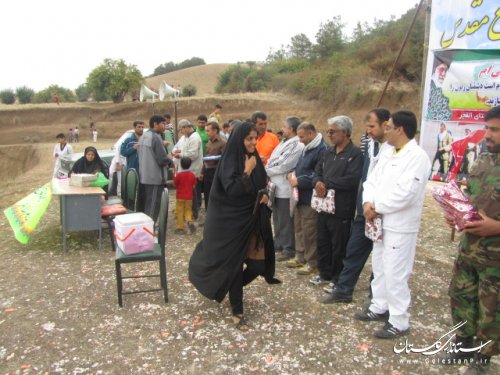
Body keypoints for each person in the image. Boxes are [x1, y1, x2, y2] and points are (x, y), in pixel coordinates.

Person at [189, 122, 280, 331]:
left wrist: (265, 195)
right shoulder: (231, 161)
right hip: (229, 223)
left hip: (252, 220)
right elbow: (231, 189)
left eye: (255, 138)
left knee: (258, 265)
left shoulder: (255, 158)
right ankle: (237, 309)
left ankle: (230, 285)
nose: (253, 142)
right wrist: (246, 172)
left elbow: (262, 185)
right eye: (249, 139)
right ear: (240, 139)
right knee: (235, 266)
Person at [356, 110, 431, 339]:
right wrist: (368, 201)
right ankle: (379, 306)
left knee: (396, 271)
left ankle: (399, 320)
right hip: (378, 221)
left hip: (399, 224)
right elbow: (372, 180)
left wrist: (376, 206)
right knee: (379, 265)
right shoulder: (389, 152)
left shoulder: (417, 157)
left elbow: (406, 194)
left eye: (388, 127)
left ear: (400, 129)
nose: (384, 131)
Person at [439, 105, 500, 374]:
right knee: (461, 296)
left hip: (496, 256)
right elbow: (472, 199)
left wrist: (497, 227)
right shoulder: (484, 159)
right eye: (488, 128)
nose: (488, 134)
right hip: (469, 249)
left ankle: (482, 359)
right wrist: (456, 213)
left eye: (495, 130)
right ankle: (463, 343)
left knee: (491, 308)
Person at [321, 108, 390, 302]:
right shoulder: (369, 146)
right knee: (353, 250)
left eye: (372, 126)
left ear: (386, 125)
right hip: (364, 209)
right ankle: (344, 290)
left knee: (382, 258)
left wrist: (378, 205)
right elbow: (368, 179)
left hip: (383, 211)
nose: (368, 131)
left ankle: (377, 297)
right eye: (367, 126)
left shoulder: (394, 150)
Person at [310, 116, 363, 287]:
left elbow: (352, 180)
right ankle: (324, 273)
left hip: (342, 208)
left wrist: (327, 184)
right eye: (328, 131)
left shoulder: (355, 154)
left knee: (339, 244)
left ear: (345, 132)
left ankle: (337, 277)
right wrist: (317, 182)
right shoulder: (328, 152)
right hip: (323, 206)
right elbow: (317, 171)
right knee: (323, 241)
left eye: (333, 131)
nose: (329, 134)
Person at [286, 122, 327, 275]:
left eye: (302, 136)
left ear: (311, 133)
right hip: (299, 197)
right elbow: (300, 167)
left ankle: (312, 263)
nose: (300, 140)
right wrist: (291, 174)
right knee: (299, 228)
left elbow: (318, 174)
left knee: (310, 231)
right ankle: (300, 256)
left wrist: (299, 181)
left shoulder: (322, 150)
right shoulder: (306, 148)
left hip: (310, 197)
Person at [266, 116, 304, 261]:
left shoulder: (297, 145)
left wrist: (266, 171)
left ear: (291, 129)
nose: (282, 129)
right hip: (275, 184)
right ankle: (279, 243)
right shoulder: (284, 142)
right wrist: (269, 167)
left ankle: (289, 248)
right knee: (277, 217)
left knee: (285, 219)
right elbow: (273, 159)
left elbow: (285, 164)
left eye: (284, 126)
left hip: (284, 186)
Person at [138, 115, 170, 223]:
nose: (164, 126)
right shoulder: (156, 137)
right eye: (163, 123)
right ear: (155, 124)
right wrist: (170, 157)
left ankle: (145, 228)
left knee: (147, 204)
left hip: (145, 176)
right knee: (153, 206)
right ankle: (149, 230)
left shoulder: (144, 136)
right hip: (155, 178)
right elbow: (162, 160)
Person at [173, 120, 203, 220]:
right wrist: (177, 151)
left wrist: (180, 155)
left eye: (181, 129)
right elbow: (180, 148)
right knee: (188, 193)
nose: (180, 131)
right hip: (185, 169)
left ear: (186, 127)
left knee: (192, 194)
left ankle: (194, 214)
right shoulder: (185, 137)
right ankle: (186, 212)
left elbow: (193, 155)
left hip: (192, 169)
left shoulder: (195, 137)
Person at [202, 120, 226, 210]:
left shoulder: (222, 143)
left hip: (216, 172)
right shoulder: (208, 143)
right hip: (208, 172)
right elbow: (205, 159)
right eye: (206, 131)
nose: (206, 133)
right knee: (207, 194)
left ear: (215, 131)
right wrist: (202, 172)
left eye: (208, 130)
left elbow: (224, 160)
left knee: (216, 194)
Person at [173, 157, 198, 235]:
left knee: (180, 211)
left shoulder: (179, 175)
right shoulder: (192, 175)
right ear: (190, 165)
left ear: (181, 164)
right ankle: (189, 221)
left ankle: (180, 228)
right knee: (188, 210)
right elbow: (194, 185)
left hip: (180, 196)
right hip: (189, 197)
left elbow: (175, 184)